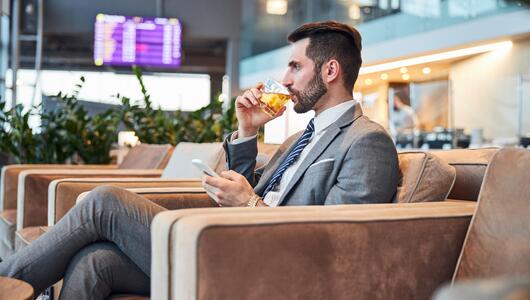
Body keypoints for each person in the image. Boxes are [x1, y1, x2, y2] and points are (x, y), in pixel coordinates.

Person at [0, 21, 399, 298]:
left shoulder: (367, 141)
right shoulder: (299, 136)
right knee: (94, 262)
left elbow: (342, 242)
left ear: (331, 70)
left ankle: (6, 283)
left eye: (296, 66)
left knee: (105, 201)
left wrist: (251, 205)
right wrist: (246, 132)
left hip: (270, 263)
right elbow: (245, 190)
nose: (287, 79)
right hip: (231, 242)